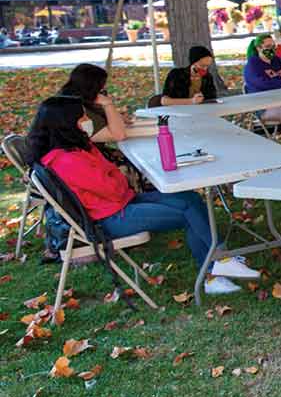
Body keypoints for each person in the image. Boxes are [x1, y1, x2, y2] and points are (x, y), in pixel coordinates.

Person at [29, 96, 259, 295]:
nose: (86, 122)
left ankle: (215, 266)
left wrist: (116, 177)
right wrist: (116, 177)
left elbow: (116, 182)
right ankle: (216, 264)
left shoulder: (78, 147)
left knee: (189, 198)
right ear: (65, 125)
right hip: (110, 218)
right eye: (80, 119)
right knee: (187, 211)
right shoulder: (66, 159)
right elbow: (114, 186)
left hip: (121, 202)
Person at [58, 63, 127, 144]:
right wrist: (108, 104)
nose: (103, 90)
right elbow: (119, 135)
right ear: (92, 88)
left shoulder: (67, 97)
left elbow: (112, 120)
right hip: (80, 155)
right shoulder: (77, 110)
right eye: (101, 87)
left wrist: (116, 118)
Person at [157, 46, 228, 106]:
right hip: (178, 114)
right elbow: (164, 101)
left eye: (207, 66)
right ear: (193, 63)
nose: (205, 69)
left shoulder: (207, 77)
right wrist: (191, 101)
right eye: (202, 66)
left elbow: (211, 98)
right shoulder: (176, 75)